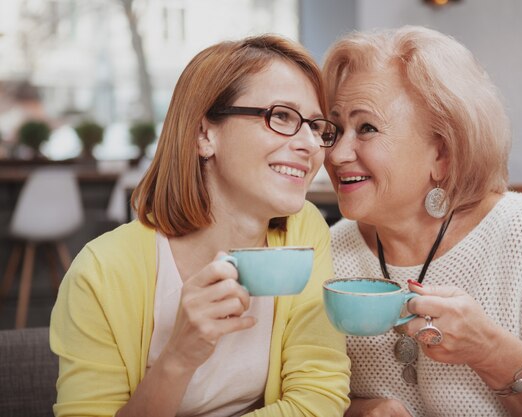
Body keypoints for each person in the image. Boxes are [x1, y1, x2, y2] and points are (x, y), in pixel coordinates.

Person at [322, 26, 522, 417]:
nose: (337, 154)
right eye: (334, 129)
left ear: (442, 154)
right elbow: (293, 391)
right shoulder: (329, 251)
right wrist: (356, 410)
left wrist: (489, 350)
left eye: (366, 128)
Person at [50, 34, 350, 417]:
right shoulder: (100, 273)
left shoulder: (304, 230)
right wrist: (178, 359)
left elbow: (318, 399)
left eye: (315, 126)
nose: (310, 145)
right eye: (282, 117)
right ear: (204, 134)